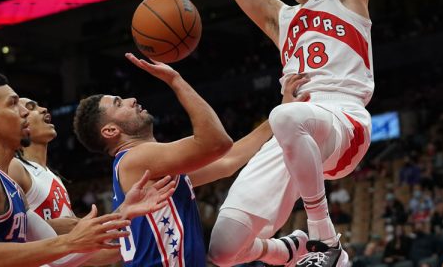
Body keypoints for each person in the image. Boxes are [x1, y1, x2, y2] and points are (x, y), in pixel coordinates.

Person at [193, 0, 373, 266]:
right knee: (223, 249)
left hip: (343, 120)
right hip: (293, 127)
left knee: (284, 115)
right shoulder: (280, 18)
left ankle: (325, 239)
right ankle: (290, 250)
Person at [72, 53, 298, 266]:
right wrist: (175, 80)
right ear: (110, 131)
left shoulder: (148, 168)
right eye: (119, 103)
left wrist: (279, 114)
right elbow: (216, 142)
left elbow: (228, 161)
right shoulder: (136, 158)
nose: (131, 99)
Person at [0, 69, 174, 267]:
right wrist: (69, 243)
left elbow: (65, 256)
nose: (24, 113)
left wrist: (125, 212)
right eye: (14, 104)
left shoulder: (14, 191)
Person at [7, 97, 121, 265]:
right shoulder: (14, 166)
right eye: (31, 107)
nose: (44, 109)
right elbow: (2, 231)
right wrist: (49, 227)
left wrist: (137, 241)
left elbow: (88, 254)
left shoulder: (54, 178)